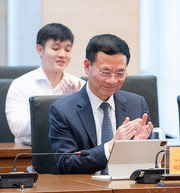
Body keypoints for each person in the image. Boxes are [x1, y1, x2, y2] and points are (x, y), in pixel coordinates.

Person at [49, 34, 153, 174]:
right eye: (105, 72)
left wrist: (139, 148)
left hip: (126, 188)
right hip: (85, 190)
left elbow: (149, 166)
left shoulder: (137, 104)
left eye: (120, 73)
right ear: (87, 66)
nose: (112, 80)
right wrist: (111, 146)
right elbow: (66, 164)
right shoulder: (63, 111)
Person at [5, 23, 83, 144]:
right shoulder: (20, 84)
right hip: (28, 153)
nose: (62, 55)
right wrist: (66, 110)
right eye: (56, 48)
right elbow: (18, 128)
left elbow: (87, 129)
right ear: (40, 49)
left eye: (67, 49)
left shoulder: (79, 85)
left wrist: (75, 104)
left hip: (70, 153)